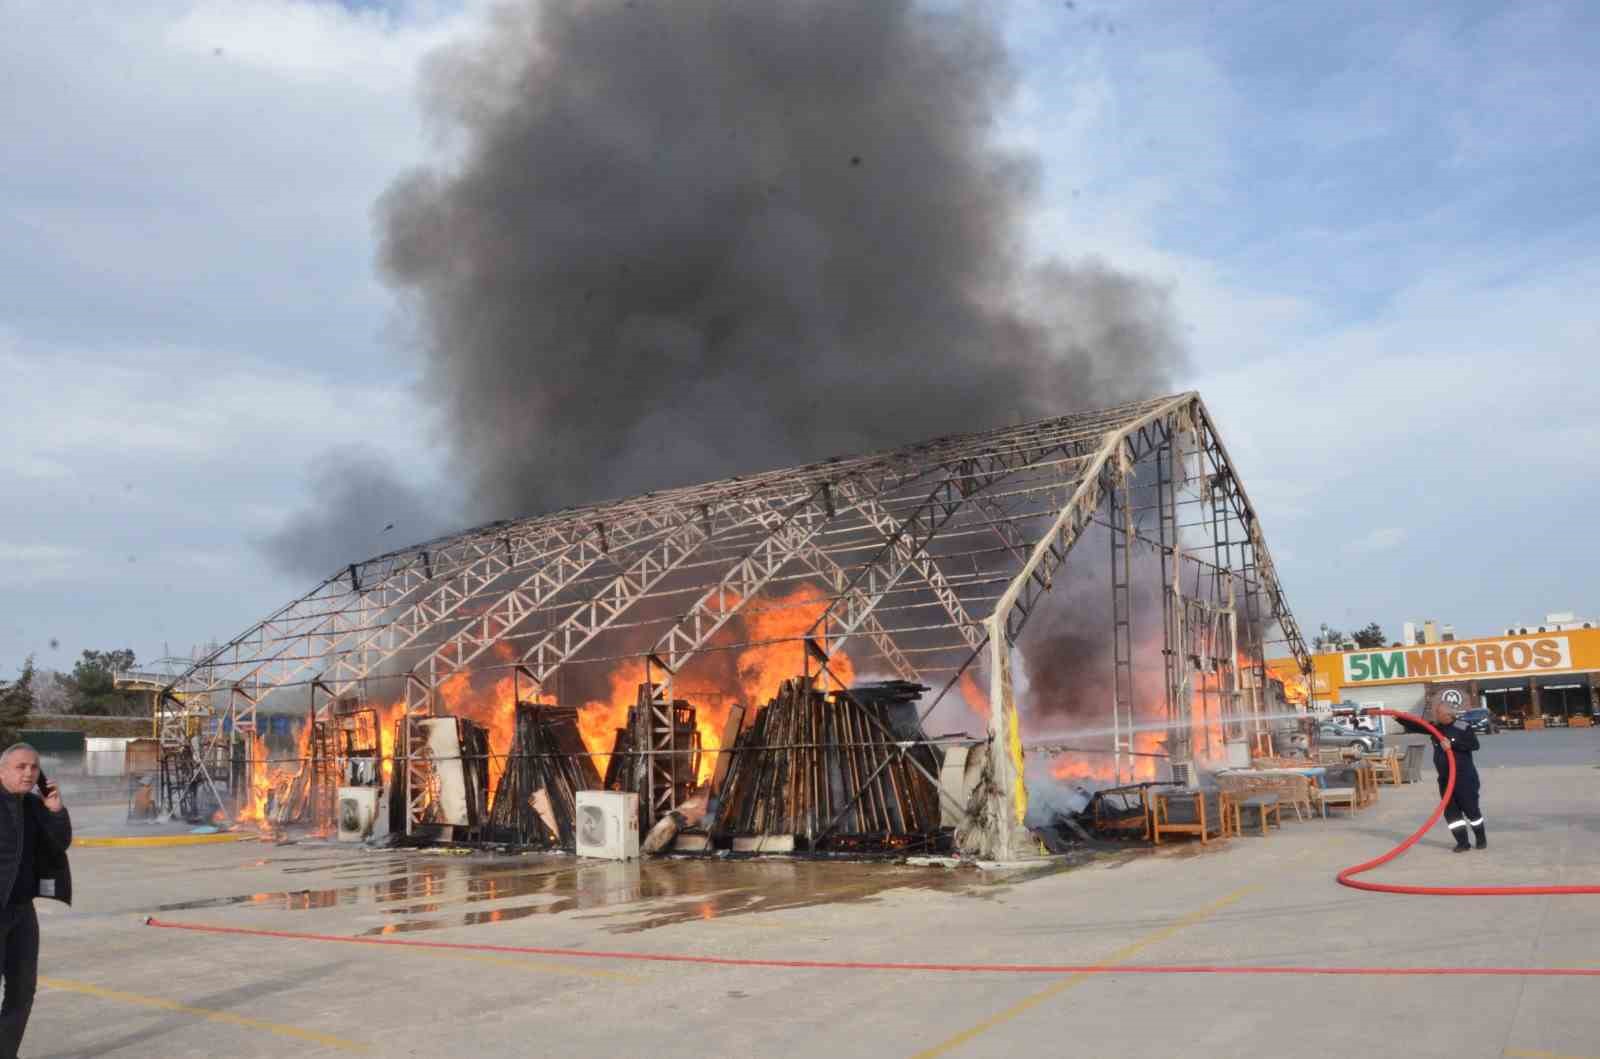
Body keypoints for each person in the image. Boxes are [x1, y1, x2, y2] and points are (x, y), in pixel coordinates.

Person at [0, 743, 72, 1059]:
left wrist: (55, 809)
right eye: (20, 767)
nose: (29, 773)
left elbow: (60, 842)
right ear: (2, 770)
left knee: (22, 990)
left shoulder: (33, 805)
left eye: (33, 767)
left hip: (21, 913)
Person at [1397, 705, 1484, 852]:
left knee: (1471, 810)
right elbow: (1417, 726)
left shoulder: (1462, 727)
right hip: (1445, 779)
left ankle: (1481, 839)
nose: (1435, 715)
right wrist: (1400, 718)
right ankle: (1463, 843)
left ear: (1448, 715)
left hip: (1464, 778)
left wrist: (1453, 745)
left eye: (1438, 713)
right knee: (1451, 812)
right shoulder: (1436, 728)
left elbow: (1474, 745)